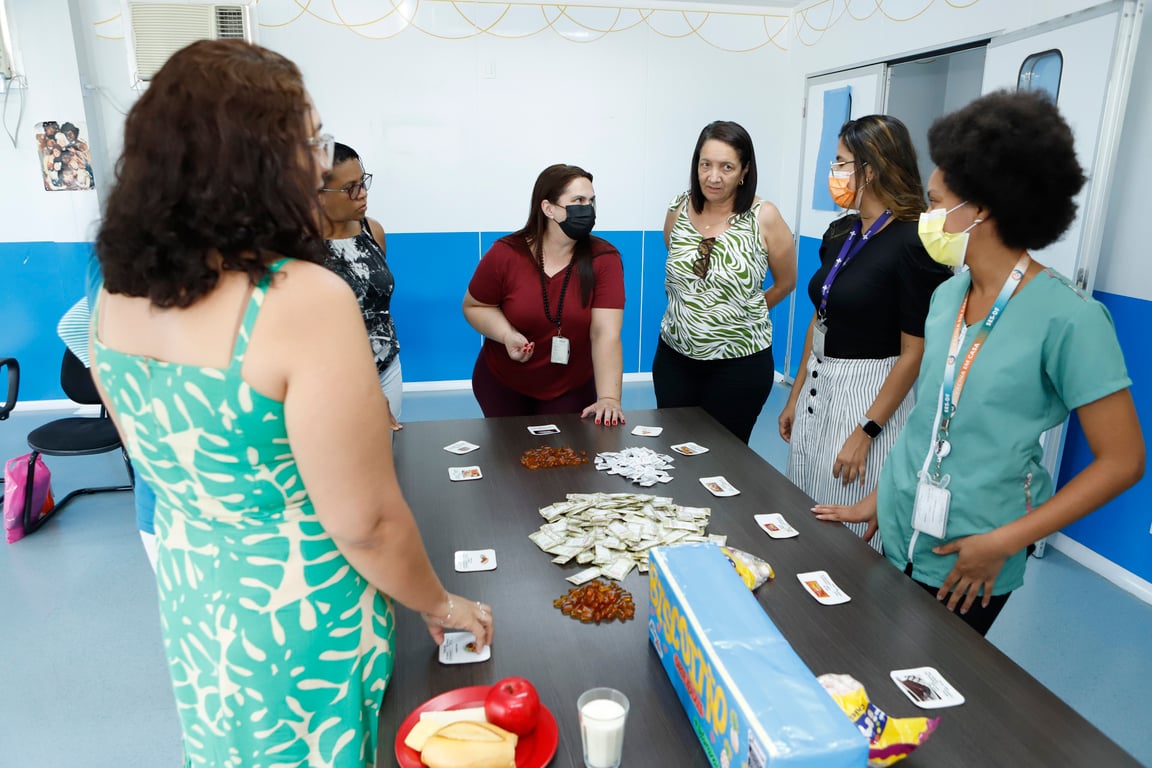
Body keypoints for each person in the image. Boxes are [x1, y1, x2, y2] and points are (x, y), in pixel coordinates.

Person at [89, 39, 491, 766]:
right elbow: (365, 521)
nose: (319, 155)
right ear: (255, 162)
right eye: (307, 139)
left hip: (196, 594)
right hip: (297, 610)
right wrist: (440, 602)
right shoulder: (299, 300)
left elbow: (155, 460)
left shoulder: (115, 293)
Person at [813, 90, 1144, 636]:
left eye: (937, 201)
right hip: (898, 527)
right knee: (871, 661)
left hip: (974, 552)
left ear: (982, 210)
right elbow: (931, 422)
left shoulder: (1071, 318)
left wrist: (1008, 541)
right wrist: (883, 498)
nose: (927, 215)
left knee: (930, 691)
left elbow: (1123, 460)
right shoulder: (949, 296)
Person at [779, 116, 951, 550]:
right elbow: (821, 317)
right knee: (804, 507)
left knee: (846, 527)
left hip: (870, 395)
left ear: (869, 169)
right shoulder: (840, 231)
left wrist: (866, 431)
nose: (834, 173)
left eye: (841, 162)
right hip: (820, 384)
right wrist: (796, 393)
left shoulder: (914, 242)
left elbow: (915, 353)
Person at [653, 120, 796, 444]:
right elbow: (682, 272)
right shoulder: (678, 208)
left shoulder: (765, 216)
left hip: (739, 365)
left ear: (744, 170)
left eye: (726, 167)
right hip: (675, 359)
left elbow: (786, 282)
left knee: (723, 459)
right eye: (706, 164)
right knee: (673, 451)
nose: (713, 176)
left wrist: (743, 312)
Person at [463, 163, 626, 423]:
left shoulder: (604, 259)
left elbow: (605, 333)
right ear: (548, 208)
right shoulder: (505, 254)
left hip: (571, 386)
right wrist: (506, 334)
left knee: (566, 460)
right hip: (503, 383)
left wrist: (609, 398)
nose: (587, 209)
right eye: (578, 201)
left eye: (591, 201)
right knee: (509, 457)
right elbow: (475, 306)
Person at [319, 142, 403, 429]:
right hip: (331, 376)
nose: (362, 193)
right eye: (350, 187)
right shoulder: (298, 247)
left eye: (363, 181)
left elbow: (375, 300)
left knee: (387, 452)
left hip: (385, 365)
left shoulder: (373, 230)